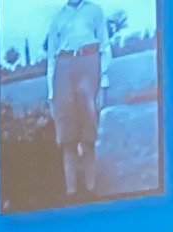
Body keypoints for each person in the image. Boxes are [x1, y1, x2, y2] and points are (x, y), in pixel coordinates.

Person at [45, 0, 110, 200]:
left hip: (89, 64)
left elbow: (105, 46)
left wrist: (103, 83)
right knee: (67, 138)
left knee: (88, 135)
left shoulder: (95, 11)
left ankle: (90, 190)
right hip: (63, 69)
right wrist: (51, 93)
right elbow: (51, 58)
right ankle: (71, 193)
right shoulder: (57, 17)